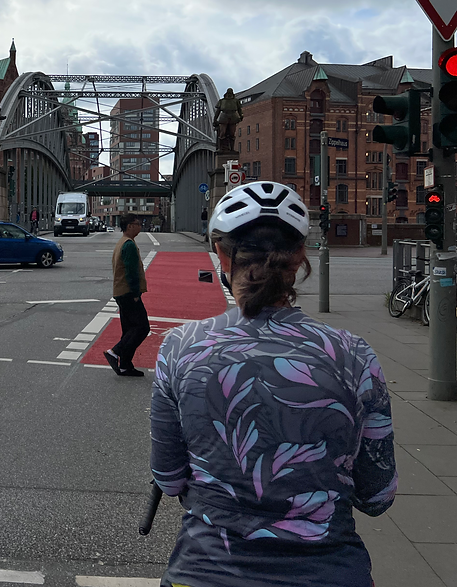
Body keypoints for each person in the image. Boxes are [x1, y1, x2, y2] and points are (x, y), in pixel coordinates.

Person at [150, 182, 396, 587]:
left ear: (220, 253)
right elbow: (377, 495)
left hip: (206, 571)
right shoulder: (353, 355)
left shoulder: (180, 348)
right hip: (328, 574)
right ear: (300, 256)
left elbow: (170, 477)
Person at [104, 214, 149, 377]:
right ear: (130, 226)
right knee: (142, 327)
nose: (140, 227)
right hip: (128, 292)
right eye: (137, 224)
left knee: (129, 328)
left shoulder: (121, 242)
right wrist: (136, 292)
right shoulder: (128, 245)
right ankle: (115, 352)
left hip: (120, 291)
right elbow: (131, 271)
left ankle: (125, 365)